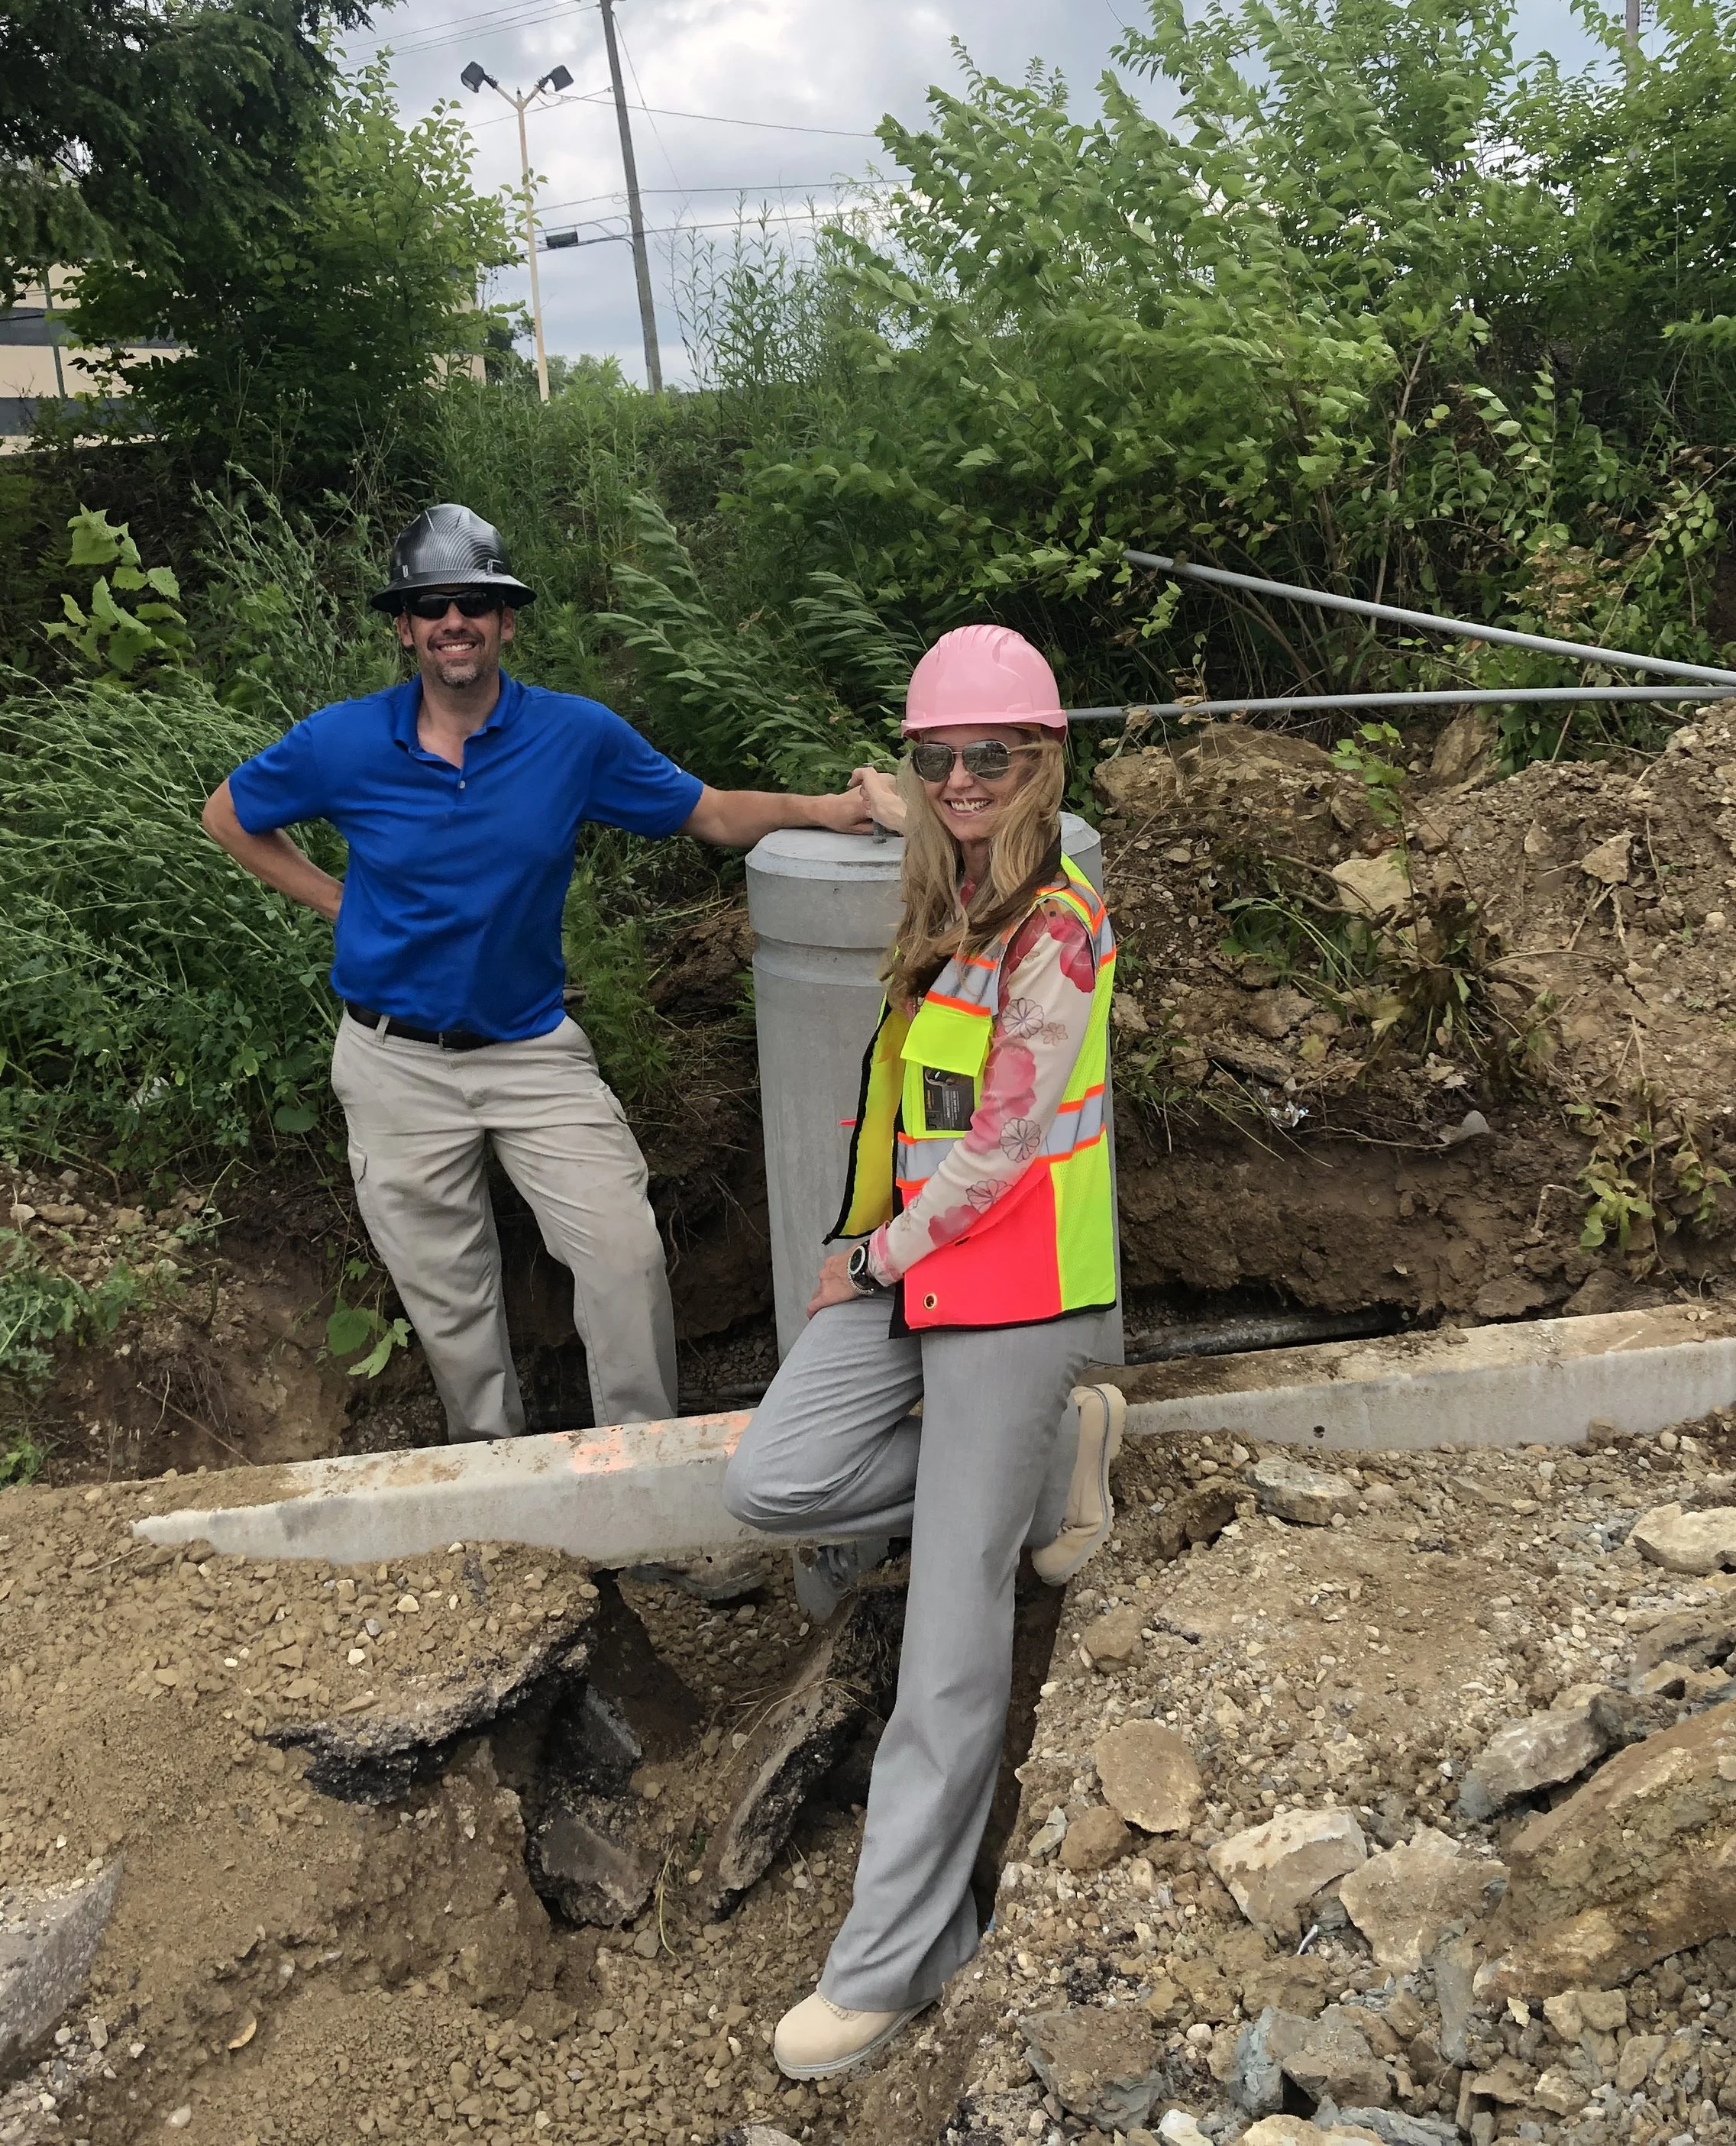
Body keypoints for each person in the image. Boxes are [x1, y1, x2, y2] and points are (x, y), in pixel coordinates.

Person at [200, 501, 874, 1443]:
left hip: (529, 1050)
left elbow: (710, 813)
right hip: (393, 1063)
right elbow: (229, 815)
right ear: (404, 629)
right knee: (450, 1304)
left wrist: (830, 810)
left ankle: (638, 1480)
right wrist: (336, 900)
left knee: (624, 1257)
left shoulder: (573, 736)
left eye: (474, 602)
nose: (453, 622)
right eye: (431, 605)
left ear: (506, 620)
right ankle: (511, 1510)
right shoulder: (344, 742)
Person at [722, 622, 1127, 2083]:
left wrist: (872, 1254)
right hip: (914, 1263)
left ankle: (898, 1954)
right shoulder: (953, 865)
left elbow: (1007, 1148)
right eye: (937, 755)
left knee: (950, 1647)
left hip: (1003, 1278)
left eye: (991, 754)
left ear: (1045, 757)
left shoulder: (1057, 923)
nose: (961, 776)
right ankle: (1040, 1469)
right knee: (773, 1476)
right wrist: (908, 808)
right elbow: (953, 816)